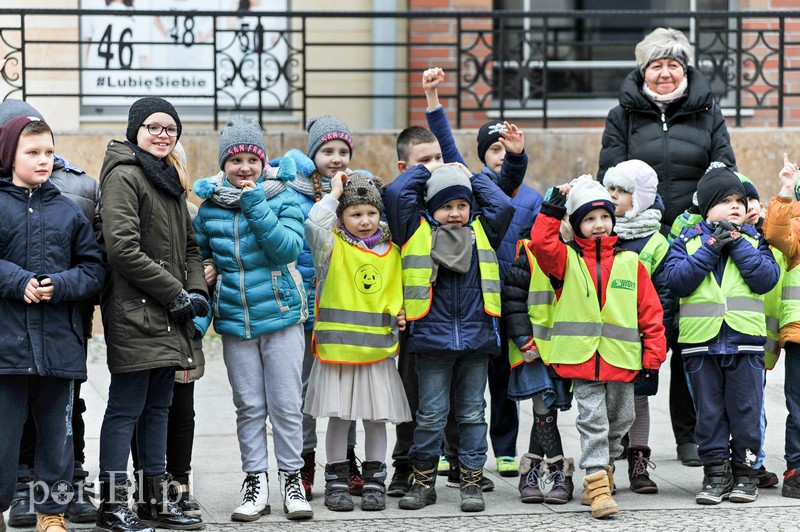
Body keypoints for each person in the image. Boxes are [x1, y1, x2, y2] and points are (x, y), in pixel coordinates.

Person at [598, 27, 737, 467]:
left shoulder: (708, 111)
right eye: (656, 65)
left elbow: (723, 170)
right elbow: (611, 176)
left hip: (692, 239)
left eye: (672, 64)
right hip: (637, 242)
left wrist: (702, 218)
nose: (664, 73)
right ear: (644, 69)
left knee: (690, 340)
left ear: (685, 67)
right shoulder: (622, 115)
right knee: (637, 335)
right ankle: (624, 435)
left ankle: (690, 435)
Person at [192, 115, 312, 521]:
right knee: (248, 406)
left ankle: (292, 480)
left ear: (264, 162)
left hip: (281, 316)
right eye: (235, 160)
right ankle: (255, 481)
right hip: (235, 321)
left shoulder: (283, 197)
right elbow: (199, 253)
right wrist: (206, 267)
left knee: (285, 404)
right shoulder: (209, 208)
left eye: (252, 159)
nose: (244, 167)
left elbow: (287, 250)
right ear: (223, 163)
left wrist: (255, 201)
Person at [422, 66, 539, 479]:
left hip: (509, 299)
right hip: (473, 299)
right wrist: (434, 102)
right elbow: (450, 152)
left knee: (505, 379)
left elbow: (512, 184)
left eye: (506, 154)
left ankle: (505, 449)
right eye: (495, 152)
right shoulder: (468, 191)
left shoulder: (520, 195)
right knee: (459, 384)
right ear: (481, 156)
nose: (501, 158)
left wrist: (518, 155)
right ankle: (443, 449)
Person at [96, 96, 206, 532]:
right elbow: (122, 248)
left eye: (170, 129)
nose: (162, 134)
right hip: (135, 312)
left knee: (159, 406)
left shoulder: (170, 178)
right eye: (153, 127)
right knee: (125, 408)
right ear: (135, 130)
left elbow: (191, 248)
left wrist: (195, 291)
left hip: (170, 314)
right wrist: (176, 291)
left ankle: (153, 501)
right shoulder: (125, 175)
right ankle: (112, 504)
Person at [529, 174, 666, 519]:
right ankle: (597, 483)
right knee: (593, 422)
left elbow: (649, 312)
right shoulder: (566, 261)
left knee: (621, 421)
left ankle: (602, 469)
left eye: (604, 217)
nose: (599, 224)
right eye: (589, 219)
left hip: (621, 360)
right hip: (582, 360)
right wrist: (553, 203)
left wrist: (653, 353)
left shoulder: (630, 263)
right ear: (575, 226)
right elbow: (542, 243)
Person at [384, 162, 514, 513]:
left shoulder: (482, 230)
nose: (455, 213)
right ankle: (423, 481)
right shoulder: (415, 229)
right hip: (431, 341)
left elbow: (503, 204)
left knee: (472, 413)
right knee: (430, 415)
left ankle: (471, 480)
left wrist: (470, 177)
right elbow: (396, 193)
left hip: (476, 341)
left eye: (461, 205)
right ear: (430, 208)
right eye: (445, 205)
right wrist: (426, 170)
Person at [0, 116, 105, 532]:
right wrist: (17, 281)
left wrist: (58, 285)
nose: (44, 161)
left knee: (58, 440)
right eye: (33, 153)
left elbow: (94, 270)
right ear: (10, 156)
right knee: (3, 439)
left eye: (48, 152)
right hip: (6, 346)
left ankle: (52, 514)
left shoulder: (67, 209)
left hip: (59, 346)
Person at [663, 166, 779, 505]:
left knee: (745, 410)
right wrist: (712, 246)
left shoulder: (755, 240)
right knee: (709, 413)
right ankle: (715, 473)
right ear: (707, 206)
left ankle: (745, 474)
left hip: (745, 342)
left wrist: (738, 244)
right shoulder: (688, 240)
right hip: (702, 344)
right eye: (726, 200)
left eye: (740, 201)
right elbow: (677, 281)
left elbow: (765, 278)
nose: (735, 207)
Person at [268, 114, 366, 500]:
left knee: (348, 388)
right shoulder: (291, 187)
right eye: (328, 151)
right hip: (305, 305)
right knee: (304, 390)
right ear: (313, 155)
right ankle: (304, 461)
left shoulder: (361, 187)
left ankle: (347, 459)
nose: (337, 158)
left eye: (343, 151)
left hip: (345, 306)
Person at [303, 171, 412, 512]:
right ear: (342, 217)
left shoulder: (393, 252)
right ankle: (335, 481)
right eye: (355, 214)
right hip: (338, 353)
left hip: (377, 353)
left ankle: (375, 481)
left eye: (371, 213)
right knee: (339, 419)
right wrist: (334, 194)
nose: (365, 221)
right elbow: (314, 225)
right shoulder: (330, 247)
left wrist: (402, 312)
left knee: (376, 418)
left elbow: (400, 291)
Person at [129, 142, 209, 518]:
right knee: (142, 407)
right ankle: (147, 484)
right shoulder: (134, 197)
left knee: (181, 409)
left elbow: (202, 257)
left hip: (184, 323)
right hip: (146, 318)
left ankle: (179, 482)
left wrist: (201, 284)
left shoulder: (191, 211)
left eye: (177, 162)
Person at [604, 159, 673, 494]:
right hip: (604, 338)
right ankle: (604, 467)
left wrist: (656, 343)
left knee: (639, 401)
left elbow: (664, 297)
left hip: (639, 338)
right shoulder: (598, 231)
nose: (614, 196)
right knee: (605, 405)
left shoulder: (656, 243)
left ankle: (638, 464)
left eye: (624, 191)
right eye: (611, 189)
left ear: (641, 197)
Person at [502, 230, 574, 505]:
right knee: (543, 406)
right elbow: (513, 298)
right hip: (531, 347)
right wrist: (522, 339)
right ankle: (560, 473)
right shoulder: (528, 253)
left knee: (547, 408)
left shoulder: (576, 253)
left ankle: (530, 470)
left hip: (565, 348)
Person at [761, 153, 800, 499]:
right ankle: (797, 469)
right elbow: (775, 234)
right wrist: (786, 191)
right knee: (799, 404)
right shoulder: (797, 223)